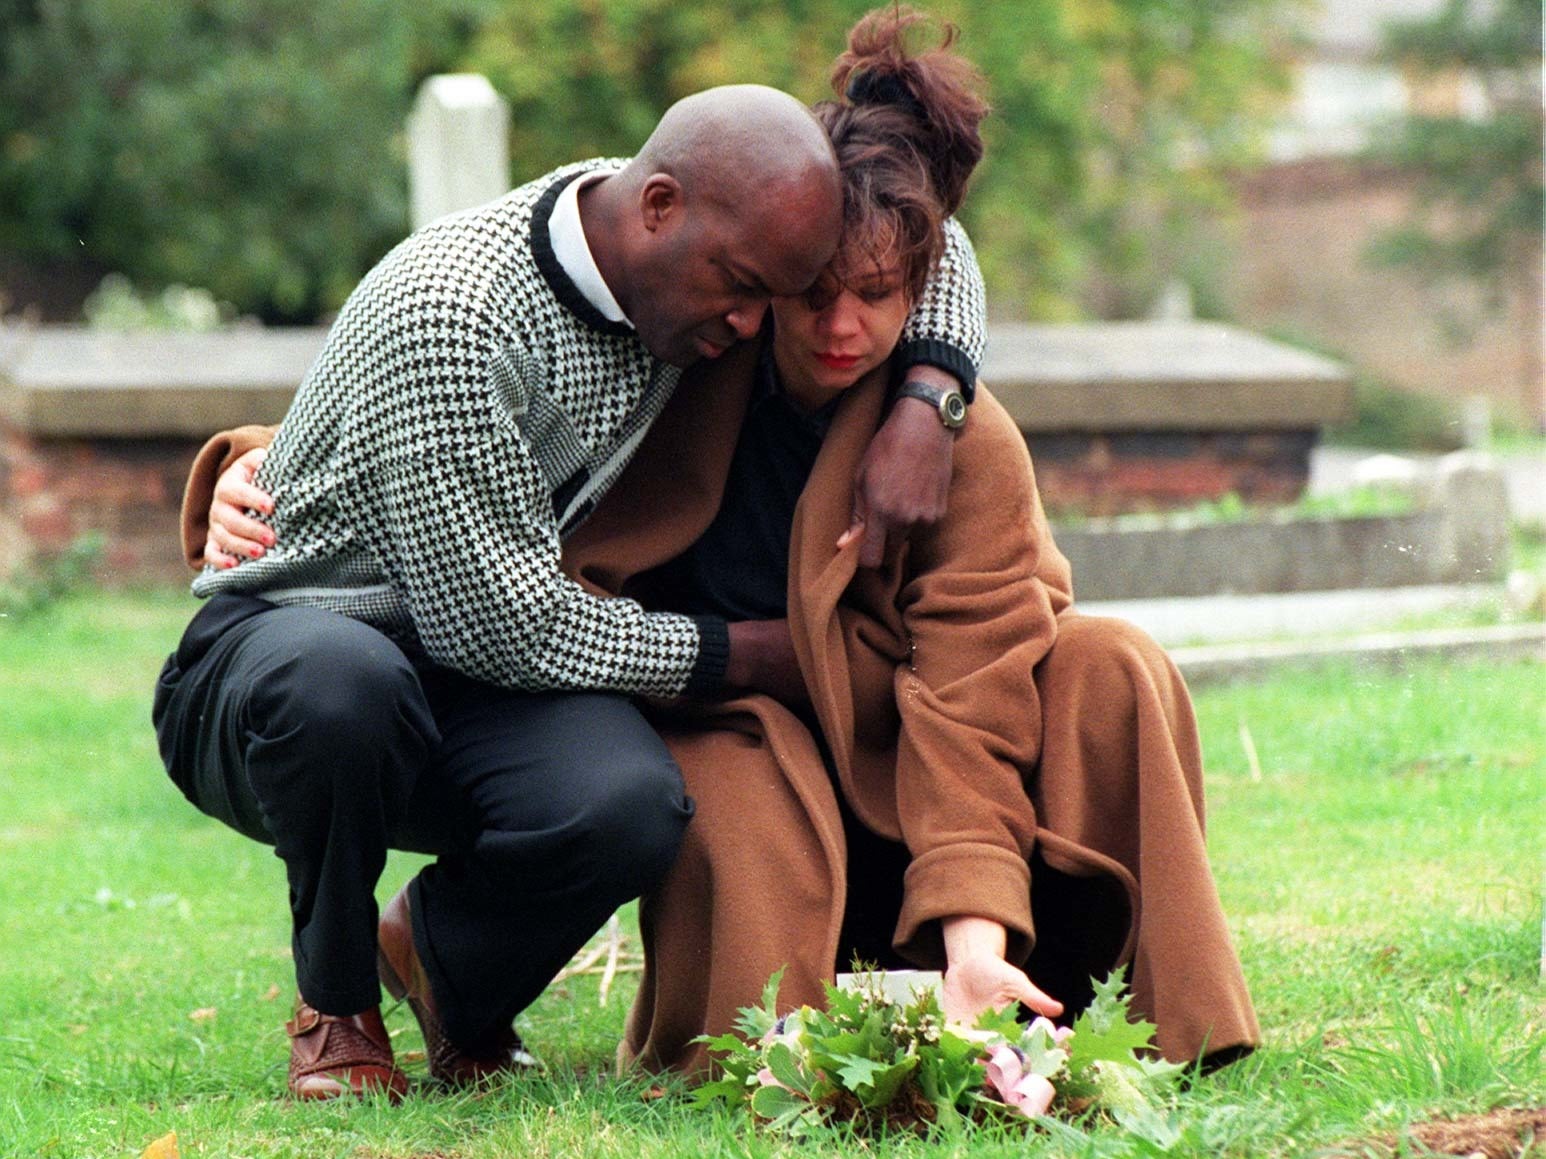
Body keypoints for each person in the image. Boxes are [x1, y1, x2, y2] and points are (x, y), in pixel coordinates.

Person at [187, 8, 1259, 1075]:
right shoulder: (679, 348)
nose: (831, 327)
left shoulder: (892, 392)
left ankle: (1131, 1012)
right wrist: (254, 456)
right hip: (562, 686)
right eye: (796, 297)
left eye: (876, 297)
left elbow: (972, 678)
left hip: (917, 758)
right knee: (633, 746)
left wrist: (930, 394)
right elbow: (474, 461)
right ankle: (385, 1007)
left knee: (1114, 660)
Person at [153, 79, 989, 1102]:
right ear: (659, 208)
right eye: (740, 286)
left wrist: (929, 393)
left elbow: (909, 234)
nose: (749, 321)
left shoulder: (687, 260)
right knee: (347, 683)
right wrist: (743, 653)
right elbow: (501, 626)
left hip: (466, 669)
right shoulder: (456, 318)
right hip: (290, 643)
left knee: (626, 803)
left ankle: (448, 973)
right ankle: (336, 1007)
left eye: (769, 291)